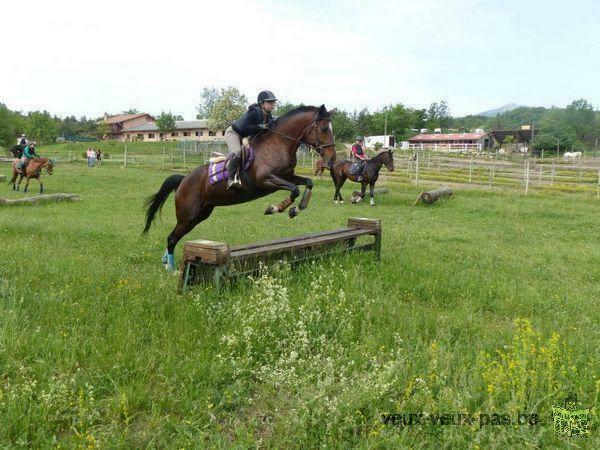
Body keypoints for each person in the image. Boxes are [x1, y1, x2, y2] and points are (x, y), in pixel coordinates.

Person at [224, 90, 277, 188]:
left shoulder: (269, 116)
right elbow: (244, 128)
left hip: (245, 136)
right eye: (269, 102)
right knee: (237, 151)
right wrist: (262, 126)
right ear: (261, 103)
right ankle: (230, 179)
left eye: (273, 102)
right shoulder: (254, 112)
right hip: (234, 133)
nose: (272, 104)